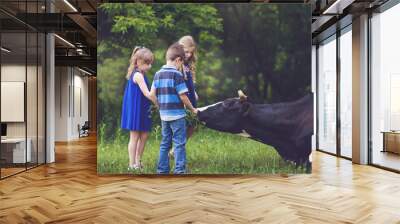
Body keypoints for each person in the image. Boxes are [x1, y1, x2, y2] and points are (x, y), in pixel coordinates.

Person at [152, 43, 198, 174]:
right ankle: (179, 171)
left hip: (164, 116)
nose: (180, 67)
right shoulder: (177, 75)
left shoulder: (157, 74)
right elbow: (183, 96)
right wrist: (192, 109)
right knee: (179, 143)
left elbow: (152, 94)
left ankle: (162, 171)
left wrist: (159, 105)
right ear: (178, 60)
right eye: (181, 63)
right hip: (177, 115)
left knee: (165, 143)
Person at [120, 46, 157, 171]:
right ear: (137, 62)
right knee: (134, 137)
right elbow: (148, 93)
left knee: (144, 135)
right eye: (147, 63)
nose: (149, 66)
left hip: (143, 108)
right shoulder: (137, 75)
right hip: (136, 110)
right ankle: (132, 164)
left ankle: (138, 160)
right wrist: (158, 103)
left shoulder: (142, 73)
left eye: (150, 63)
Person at [169, 35, 199, 158]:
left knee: (193, 126)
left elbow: (190, 82)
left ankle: (176, 149)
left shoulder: (188, 65)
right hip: (182, 99)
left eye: (191, 53)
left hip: (191, 98)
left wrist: (194, 92)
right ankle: (176, 151)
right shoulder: (177, 65)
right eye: (186, 52)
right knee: (181, 127)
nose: (188, 55)